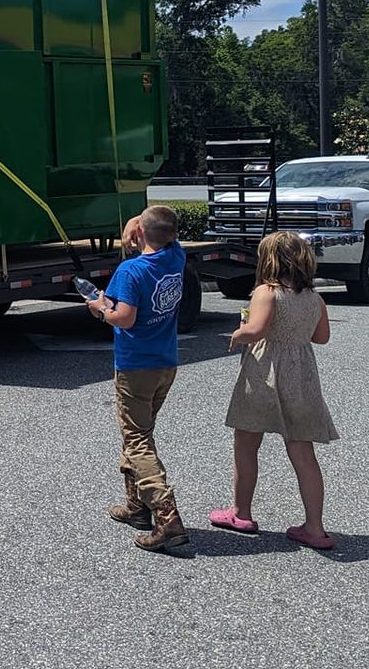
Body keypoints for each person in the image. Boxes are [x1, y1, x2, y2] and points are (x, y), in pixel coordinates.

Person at [214, 230, 339, 549]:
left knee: (246, 443)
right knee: (302, 450)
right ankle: (315, 527)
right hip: (301, 376)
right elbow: (322, 337)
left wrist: (239, 333)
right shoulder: (315, 297)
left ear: (268, 261)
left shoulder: (266, 292)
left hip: (264, 373)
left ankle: (241, 512)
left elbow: (257, 330)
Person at [86, 203, 191, 554]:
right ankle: (136, 506)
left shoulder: (130, 271)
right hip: (166, 362)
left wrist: (100, 308)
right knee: (140, 430)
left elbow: (125, 318)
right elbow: (159, 226)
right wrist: (140, 227)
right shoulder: (175, 257)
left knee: (137, 440)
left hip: (136, 365)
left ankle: (167, 516)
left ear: (140, 233)